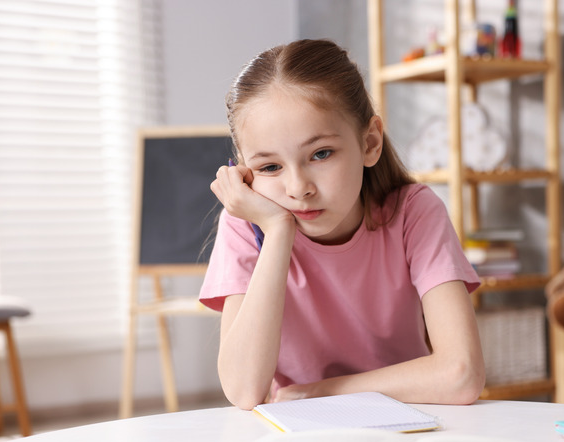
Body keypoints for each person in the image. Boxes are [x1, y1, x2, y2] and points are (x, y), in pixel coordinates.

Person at [200, 39, 484, 410]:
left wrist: (319, 391)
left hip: (408, 417)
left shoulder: (413, 212)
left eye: (321, 154)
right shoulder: (247, 226)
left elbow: (461, 375)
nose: (298, 188)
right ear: (245, 171)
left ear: (370, 142)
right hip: (301, 433)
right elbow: (243, 391)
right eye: (270, 167)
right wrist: (279, 230)